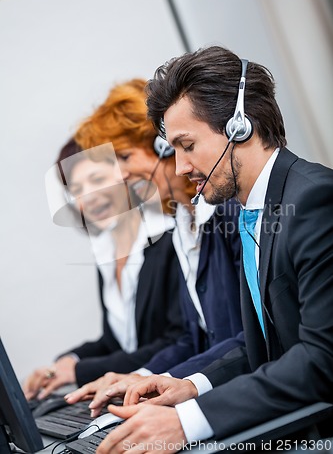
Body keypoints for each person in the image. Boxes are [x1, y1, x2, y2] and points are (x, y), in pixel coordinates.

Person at [91, 45, 333, 454]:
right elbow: (265, 344)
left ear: (241, 127)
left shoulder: (314, 200)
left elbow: (321, 358)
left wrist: (187, 423)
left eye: (187, 145)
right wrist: (188, 386)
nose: (181, 167)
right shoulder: (252, 210)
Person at [63, 77, 243, 416]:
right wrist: (138, 377)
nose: (121, 174)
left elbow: (250, 340)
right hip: (219, 393)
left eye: (126, 157)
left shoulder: (227, 217)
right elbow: (194, 339)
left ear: (166, 146)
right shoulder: (182, 228)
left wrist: (179, 387)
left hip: (241, 400)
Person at [23, 134, 185, 400]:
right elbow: (117, 342)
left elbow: (178, 341)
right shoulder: (106, 253)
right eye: (76, 190)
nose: (88, 198)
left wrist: (80, 371)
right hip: (137, 398)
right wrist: (67, 362)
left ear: (124, 175)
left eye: (97, 180)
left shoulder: (169, 240)